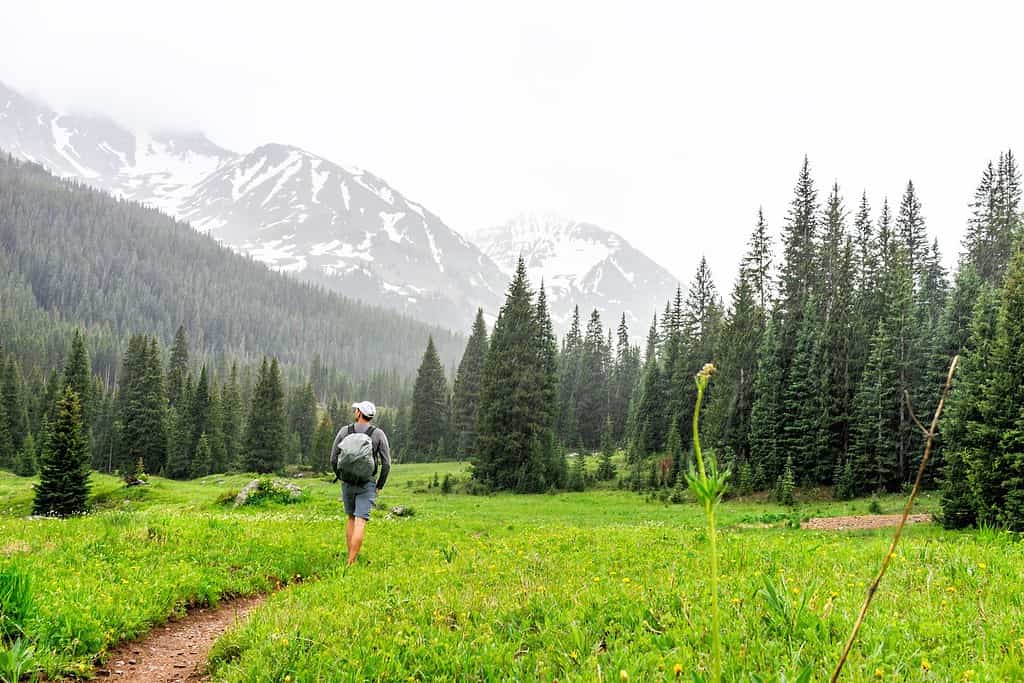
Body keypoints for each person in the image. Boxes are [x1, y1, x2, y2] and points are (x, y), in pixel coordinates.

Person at [331, 400, 391, 565]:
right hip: (367, 483)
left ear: (359, 413)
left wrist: (341, 475)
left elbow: (333, 458)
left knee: (351, 518)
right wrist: (379, 485)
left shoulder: (345, 431)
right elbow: (386, 464)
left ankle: (349, 558)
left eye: (356, 410)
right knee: (360, 521)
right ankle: (351, 562)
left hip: (347, 482)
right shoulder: (378, 434)